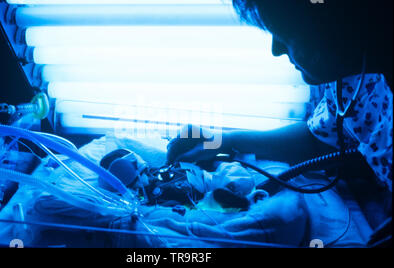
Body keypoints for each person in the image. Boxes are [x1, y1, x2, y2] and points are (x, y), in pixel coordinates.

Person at [166, 0, 392, 246]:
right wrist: (222, 140)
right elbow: (320, 141)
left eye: (285, 35)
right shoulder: (357, 78)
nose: (276, 49)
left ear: (336, 27)